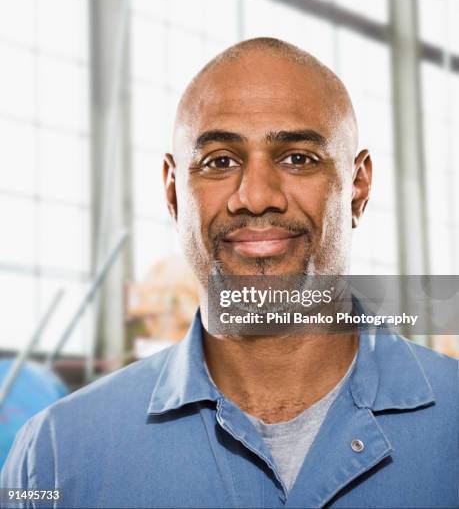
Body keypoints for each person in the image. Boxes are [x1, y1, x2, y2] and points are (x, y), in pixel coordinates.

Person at [1, 38, 457, 508]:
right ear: (173, 190)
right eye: (220, 161)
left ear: (358, 186)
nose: (256, 195)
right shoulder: (57, 457)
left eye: (298, 157)